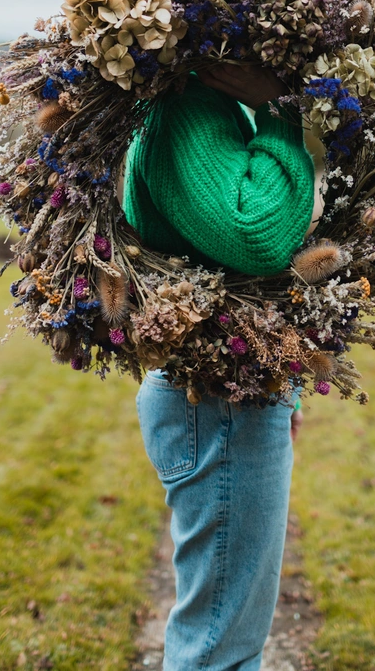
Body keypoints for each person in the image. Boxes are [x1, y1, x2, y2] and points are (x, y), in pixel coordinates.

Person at [123, 63, 315, 671]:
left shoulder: (207, 103)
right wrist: (284, 113)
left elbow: (236, 263)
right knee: (219, 650)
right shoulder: (189, 106)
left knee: (225, 638)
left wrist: (287, 388)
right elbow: (255, 233)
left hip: (225, 396)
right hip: (216, 402)